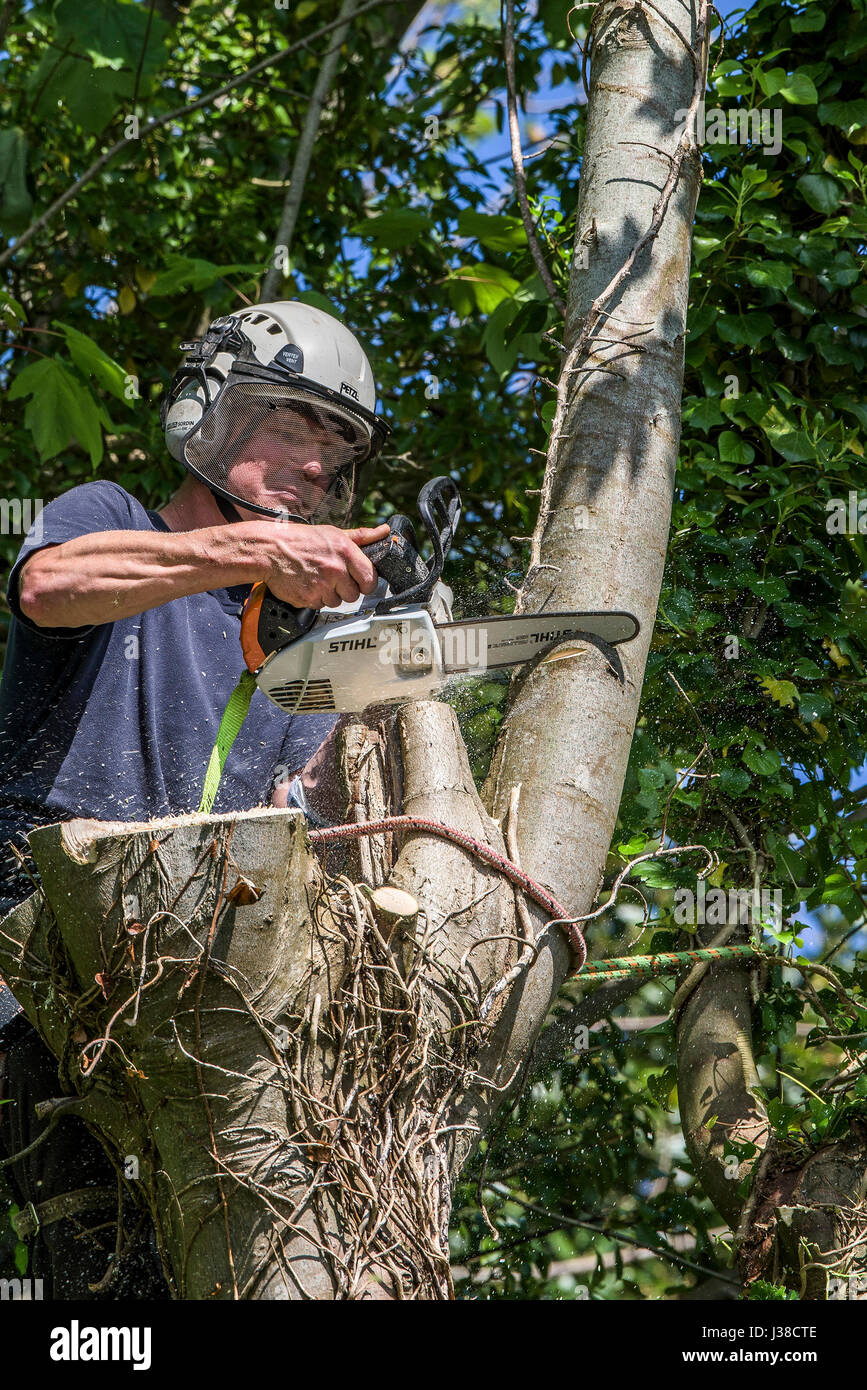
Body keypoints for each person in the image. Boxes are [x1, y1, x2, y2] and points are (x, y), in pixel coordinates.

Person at [0, 300, 391, 1297]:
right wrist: (253, 553)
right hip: (42, 983)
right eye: (293, 425)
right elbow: (50, 586)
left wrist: (376, 684)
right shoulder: (111, 520)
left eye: (335, 448)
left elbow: (329, 831)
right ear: (210, 415)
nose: (314, 464)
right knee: (102, 1285)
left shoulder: (306, 652)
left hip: (219, 1019)